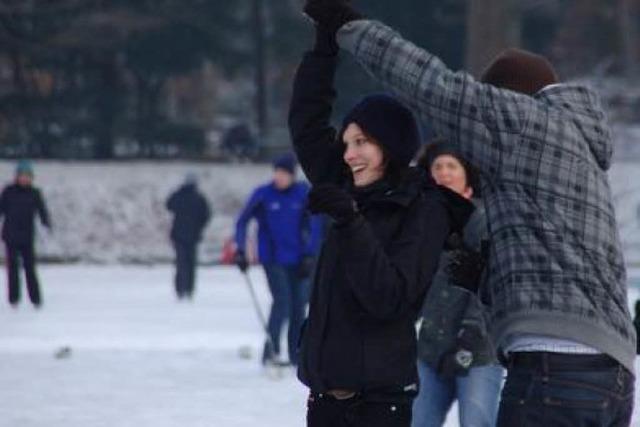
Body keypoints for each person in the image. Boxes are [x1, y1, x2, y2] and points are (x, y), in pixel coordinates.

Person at [302, 1, 636, 425]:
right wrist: (486, 281)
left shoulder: (526, 123)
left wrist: (351, 28)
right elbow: (562, 268)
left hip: (553, 370)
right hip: (611, 377)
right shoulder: (580, 157)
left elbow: (432, 85)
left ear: (506, 101)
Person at [288, 24, 471, 427]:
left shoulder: (423, 209)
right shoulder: (348, 187)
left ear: (391, 147)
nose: (350, 154)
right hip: (325, 401)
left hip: (376, 407)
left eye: (362, 143)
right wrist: (324, 46)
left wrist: (351, 222)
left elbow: (390, 299)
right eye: (347, 142)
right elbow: (306, 122)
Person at [412, 141, 502, 427]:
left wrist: (468, 335)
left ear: (467, 174)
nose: (444, 172)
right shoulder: (422, 222)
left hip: (477, 351)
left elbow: (488, 284)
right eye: (437, 166)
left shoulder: (483, 219)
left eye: (452, 166)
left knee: (476, 421)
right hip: (429, 347)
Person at [234, 153, 322, 366]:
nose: (279, 177)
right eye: (276, 172)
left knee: (299, 306)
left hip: (299, 259)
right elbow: (242, 221)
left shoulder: (302, 194)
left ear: (292, 175)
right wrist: (241, 250)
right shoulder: (263, 194)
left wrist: (310, 254)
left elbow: (315, 224)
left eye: (284, 173)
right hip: (272, 258)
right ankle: (271, 351)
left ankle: (297, 354)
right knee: (282, 302)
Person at [0, 160, 51, 308]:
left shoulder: (35, 193)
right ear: (17, 177)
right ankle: (14, 299)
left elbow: (42, 210)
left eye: (27, 176)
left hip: (27, 236)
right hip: (10, 235)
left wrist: (46, 222)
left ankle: (35, 299)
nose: (24, 178)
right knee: (13, 269)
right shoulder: (9, 192)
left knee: (30, 268)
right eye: (22, 176)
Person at [166, 173, 211, 300]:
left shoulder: (179, 195)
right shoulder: (199, 198)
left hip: (178, 235)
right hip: (193, 235)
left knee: (181, 263)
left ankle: (180, 289)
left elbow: (168, 205)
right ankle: (189, 290)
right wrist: (199, 227)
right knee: (191, 264)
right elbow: (206, 215)